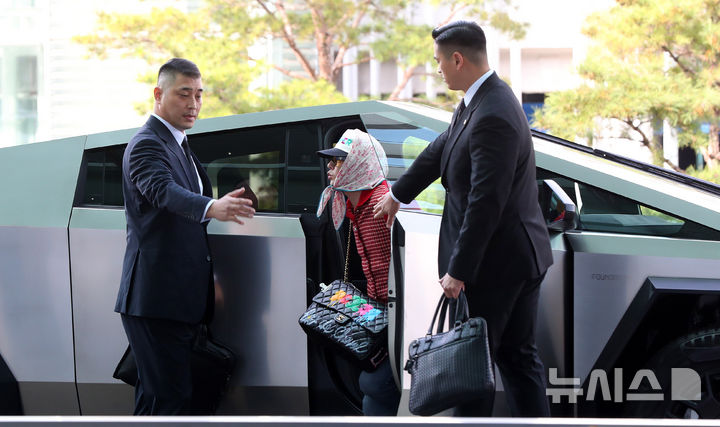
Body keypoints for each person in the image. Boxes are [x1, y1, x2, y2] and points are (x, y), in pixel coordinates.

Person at [373, 21, 554, 417]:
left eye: (438, 61)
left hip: (496, 263)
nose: (436, 69)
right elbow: (442, 147)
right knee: (516, 360)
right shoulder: (482, 98)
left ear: (457, 59)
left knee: (474, 365)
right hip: (512, 255)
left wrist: (460, 269)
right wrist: (397, 195)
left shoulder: (493, 113)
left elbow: (486, 201)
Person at [114, 58, 255, 415]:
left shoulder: (179, 144)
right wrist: (211, 207)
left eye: (199, 94)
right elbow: (162, 191)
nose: (193, 103)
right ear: (159, 94)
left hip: (177, 300)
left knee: (159, 397)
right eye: (183, 94)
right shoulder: (148, 144)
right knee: (169, 400)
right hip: (156, 299)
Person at [316, 129, 401, 416]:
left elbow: (391, 273)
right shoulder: (359, 204)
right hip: (383, 311)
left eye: (338, 162)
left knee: (375, 385)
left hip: (397, 315)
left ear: (359, 164)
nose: (329, 167)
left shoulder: (380, 206)